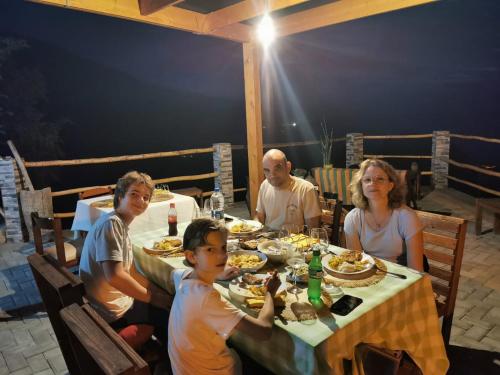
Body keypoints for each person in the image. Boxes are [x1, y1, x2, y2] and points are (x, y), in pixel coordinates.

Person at [168, 218, 281, 375]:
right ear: (191, 256)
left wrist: (214, 274)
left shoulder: (184, 277)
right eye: (210, 250)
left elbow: (172, 273)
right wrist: (270, 293)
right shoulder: (206, 298)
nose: (222, 256)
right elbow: (264, 331)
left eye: (223, 247)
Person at [79, 171, 172, 349]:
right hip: (112, 312)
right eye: (134, 194)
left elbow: (130, 272)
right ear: (120, 196)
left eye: (146, 197)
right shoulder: (111, 224)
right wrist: (152, 298)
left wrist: (155, 290)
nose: (141, 200)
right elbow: (115, 276)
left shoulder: (117, 223)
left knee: (165, 299)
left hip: (110, 304)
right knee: (174, 315)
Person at [343, 159, 424, 272]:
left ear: (390, 185)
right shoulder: (352, 219)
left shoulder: (406, 217)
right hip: (368, 276)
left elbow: (416, 270)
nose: (373, 184)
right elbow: (356, 264)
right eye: (367, 180)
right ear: (361, 186)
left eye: (380, 179)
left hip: (401, 277)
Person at [255, 149, 321, 230]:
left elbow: (313, 229)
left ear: (288, 167)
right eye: (267, 170)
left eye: (277, 168)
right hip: (268, 239)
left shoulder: (305, 189)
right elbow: (259, 217)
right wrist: (252, 228)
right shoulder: (265, 185)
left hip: (295, 240)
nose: (272, 175)